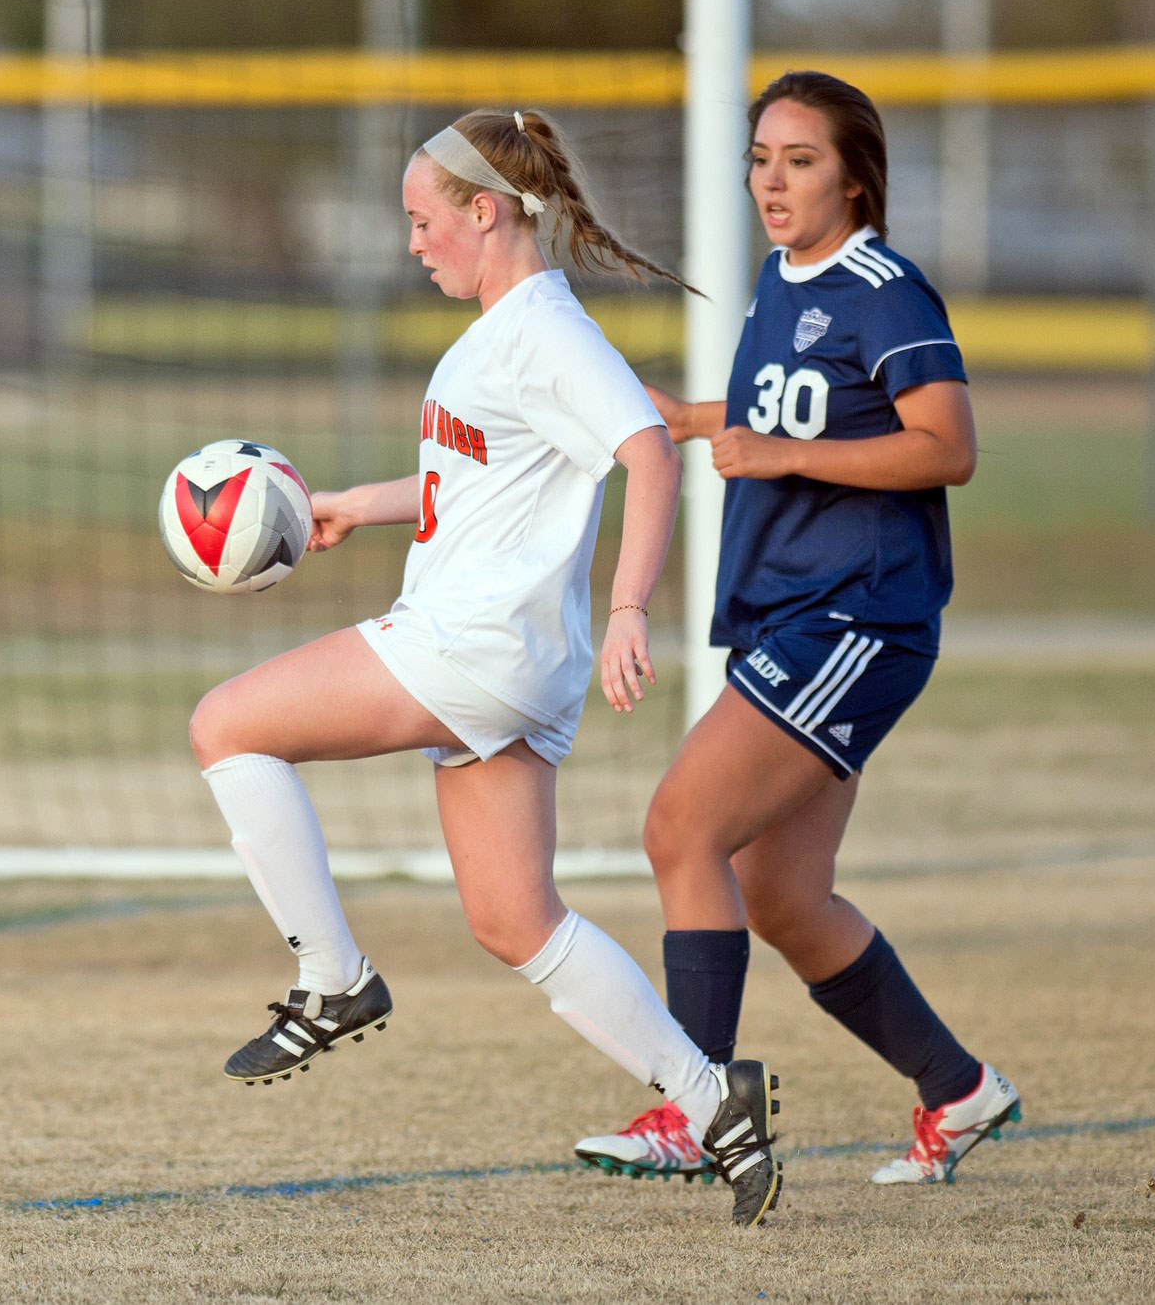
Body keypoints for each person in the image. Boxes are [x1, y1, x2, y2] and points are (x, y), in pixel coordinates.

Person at [190, 109, 782, 1227]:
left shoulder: (545, 332)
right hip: (506, 667)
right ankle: (714, 1102)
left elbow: (648, 453)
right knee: (515, 920)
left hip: (471, 645)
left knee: (225, 724)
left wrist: (624, 609)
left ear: (483, 210)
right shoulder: (496, 333)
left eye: (422, 220)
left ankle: (332, 980)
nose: (413, 243)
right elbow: (466, 489)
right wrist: (356, 509)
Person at [572, 71, 1020, 1187]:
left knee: (679, 827)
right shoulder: (780, 277)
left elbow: (943, 446)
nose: (770, 180)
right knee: (781, 895)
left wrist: (777, 455)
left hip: (855, 616)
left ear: (855, 176)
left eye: (799, 159)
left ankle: (696, 1107)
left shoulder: (886, 289)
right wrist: (693, 419)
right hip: (795, 614)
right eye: (759, 158)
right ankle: (958, 1088)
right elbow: (792, 408)